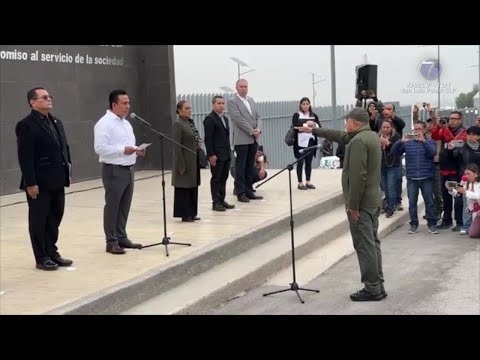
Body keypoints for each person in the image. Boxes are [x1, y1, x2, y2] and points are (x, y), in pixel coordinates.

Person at [300, 107, 386, 301]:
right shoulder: (370, 136)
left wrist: (353, 206)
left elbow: (357, 177)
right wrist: (314, 130)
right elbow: (340, 136)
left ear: (354, 123)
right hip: (373, 199)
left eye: (347, 121)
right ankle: (377, 284)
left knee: (364, 245)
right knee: (372, 242)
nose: (345, 125)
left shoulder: (358, 142)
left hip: (362, 203)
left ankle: (372, 288)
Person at [15, 87, 73, 270]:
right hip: (39, 183)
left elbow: (65, 149)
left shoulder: (56, 122)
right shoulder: (27, 125)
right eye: (44, 97)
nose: (49, 99)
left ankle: (52, 251)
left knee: (55, 217)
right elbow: (25, 156)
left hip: (58, 180)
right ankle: (41, 256)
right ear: (33, 102)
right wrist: (31, 183)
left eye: (50, 97)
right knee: (39, 220)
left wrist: (68, 172)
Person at [94, 89, 144, 255]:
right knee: (113, 206)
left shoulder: (126, 123)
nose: (127, 106)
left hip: (129, 169)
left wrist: (137, 150)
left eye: (129, 103)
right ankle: (111, 241)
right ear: (114, 104)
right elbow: (99, 148)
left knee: (124, 205)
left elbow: (128, 145)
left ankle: (121, 237)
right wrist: (123, 150)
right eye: (124, 103)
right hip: (114, 170)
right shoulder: (104, 123)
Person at [391, 121, 438, 234]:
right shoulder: (408, 142)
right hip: (412, 177)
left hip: (426, 176)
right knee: (412, 203)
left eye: (419, 129)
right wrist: (400, 141)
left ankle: (431, 224)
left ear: (425, 130)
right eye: (415, 129)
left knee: (429, 202)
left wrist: (423, 141)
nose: (417, 131)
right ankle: (413, 224)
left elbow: (433, 153)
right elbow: (393, 152)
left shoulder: (430, 141)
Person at [227, 79, 263, 202]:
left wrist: (258, 129)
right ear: (236, 87)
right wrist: (251, 131)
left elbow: (258, 116)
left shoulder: (251, 100)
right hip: (241, 140)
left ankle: (249, 191)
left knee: (249, 167)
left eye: (245, 86)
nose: (244, 88)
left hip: (253, 139)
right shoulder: (232, 101)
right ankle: (240, 192)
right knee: (240, 167)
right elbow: (238, 119)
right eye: (241, 86)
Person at [203, 95, 235, 211]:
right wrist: (211, 155)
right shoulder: (210, 119)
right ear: (213, 105)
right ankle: (216, 202)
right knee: (216, 178)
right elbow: (208, 139)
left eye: (222, 103)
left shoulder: (225, 119)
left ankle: (222, 199)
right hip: (216, 155)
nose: (221, 105)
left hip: (226, 154)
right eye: (219, 103)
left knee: (224, 178)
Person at [172, 100, 202, 222]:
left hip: (193, 160)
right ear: (179, 110)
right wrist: (181, 164)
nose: (189, 110)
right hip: (184, 161)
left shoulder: (190, 122)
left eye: (190, 108)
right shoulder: (178, 124)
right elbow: (176, 146)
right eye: (186, 108)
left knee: (193, 186)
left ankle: (192, 212)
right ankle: (185, 214)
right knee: (184, 187)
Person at [291, 97, 321, 190]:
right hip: (300, 142)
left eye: (307, 104)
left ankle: (308, 181)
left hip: (311, 140)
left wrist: (314, 125)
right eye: (303, 104)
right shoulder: (297, 115)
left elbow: (319, 126)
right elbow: (295, 125)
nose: (305, 106)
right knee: (300, 162)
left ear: (309, 105)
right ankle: (300, 183)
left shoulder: (313, 115)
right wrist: (306, 125)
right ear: (300, 105)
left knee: (309, 162)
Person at [446, 164, 480, 236]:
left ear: (476, 174)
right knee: (473, 234)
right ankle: (468, 225)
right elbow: (458, 194)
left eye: (469, 174)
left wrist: (465, 191)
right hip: (473, 212)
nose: (466, 176)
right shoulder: (465, 183)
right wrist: (451, 189)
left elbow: (478, 196)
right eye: (465, 174)